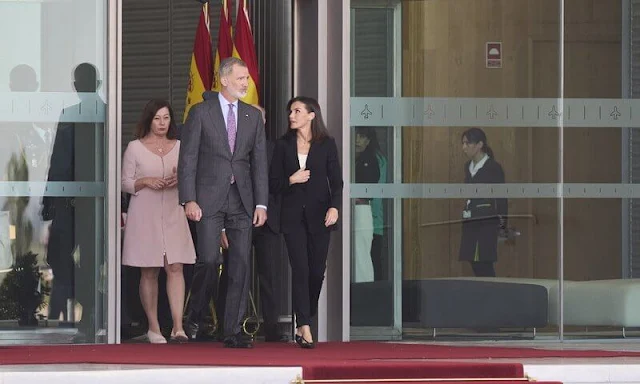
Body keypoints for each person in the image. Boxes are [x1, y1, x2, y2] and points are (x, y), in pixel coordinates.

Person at [178, 57, 268, 349]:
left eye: (247, 79)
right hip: (207, 200)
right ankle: (196, 313)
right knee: (209, 260)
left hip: (242, 200)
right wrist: (189, 199)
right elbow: (188, 159)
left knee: (240, 264)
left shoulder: (252, 117)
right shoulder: (200, 112)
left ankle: (232, 330)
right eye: (241, 78)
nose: (245, 83)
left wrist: (261, 204)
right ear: (224, 79)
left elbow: (259, 165)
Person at [269, 96, 343, 349]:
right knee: (300, 269)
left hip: (320, 216)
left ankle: (304, 318)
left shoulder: (326, 144)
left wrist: (335, 207)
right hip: (292, 218)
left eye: (297, 111)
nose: (292, 115)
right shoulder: (282, 145)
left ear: (312, 115)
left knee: (316, 272)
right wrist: (292, 179)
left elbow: (337, 181)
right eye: (290, 111)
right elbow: (273, 183)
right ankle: (305, 326)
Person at [121, 100, 195, 343]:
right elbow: (124, 183)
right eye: (157, 119)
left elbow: (191, 177)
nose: (162, 123)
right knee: (149, 269)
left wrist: (179, 180)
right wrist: (145, 182)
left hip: (173, 210)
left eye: (166, 118)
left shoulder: (180, 146)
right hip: (145, 212)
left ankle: (177, 327)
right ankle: (153, 327)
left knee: (176, 266)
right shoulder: (134, 147)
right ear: (148, 120)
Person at [220, 104, 288, 342]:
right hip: (237, 218)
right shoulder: (230, 149)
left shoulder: (275, 148)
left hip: (267, 221)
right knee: (233, 273)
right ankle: (226, 325)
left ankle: (271, 325)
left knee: (269, 275)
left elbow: (278, 183)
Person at [459, 128, 507, 277]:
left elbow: (501, 197)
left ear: (479, 145)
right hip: (470, 220)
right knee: (472, 260)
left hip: (486, 222)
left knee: (483, 262)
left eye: (467, 143)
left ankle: (492, 295)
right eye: (463, 143)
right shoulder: (468, 167)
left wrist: (503, 224)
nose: (464, 147)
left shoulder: (493, 168)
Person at [353, 127, 379, 283]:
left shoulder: (370, 160)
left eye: (362, 137)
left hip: (361, 208)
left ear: (368, 141)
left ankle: (365, 288)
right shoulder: (350, 158)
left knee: (361, 251)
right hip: (348, 209)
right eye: (356, 136)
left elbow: (369, 188)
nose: (357, 140)